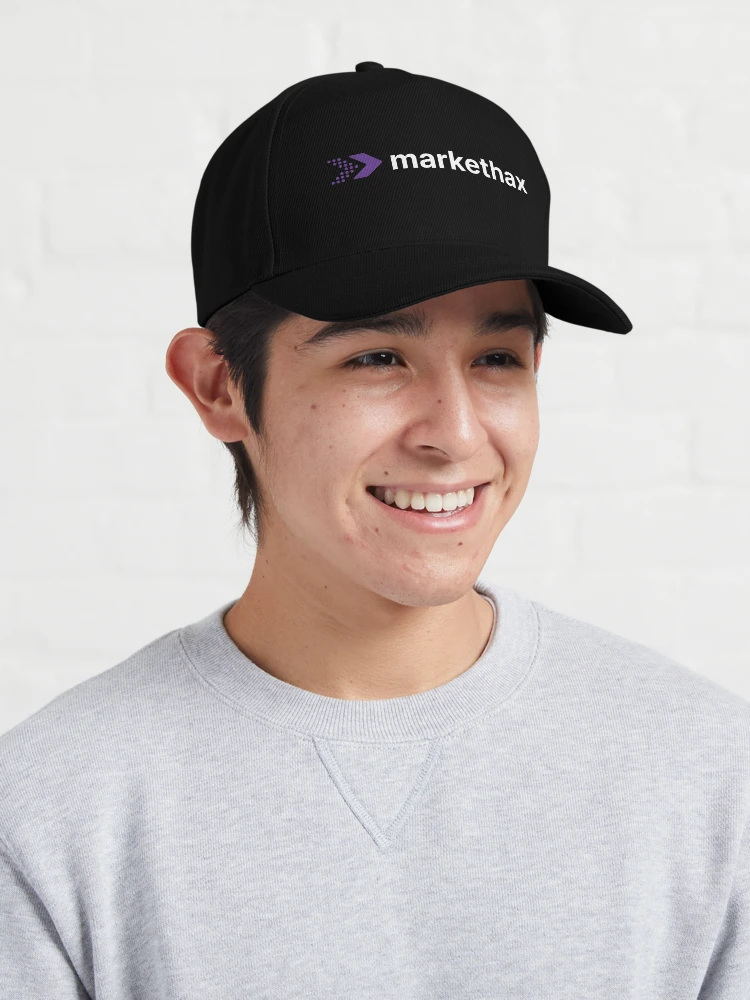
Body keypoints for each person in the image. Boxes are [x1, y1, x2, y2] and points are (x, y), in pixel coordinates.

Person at [1, 62, 748, 1000]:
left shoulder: (711, 778)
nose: (456, 434)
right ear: (219, 385)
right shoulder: (51, 817)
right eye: (378, 357)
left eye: (497, 358)